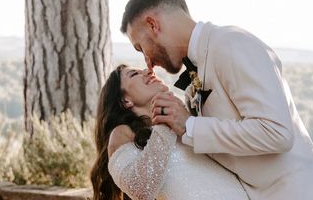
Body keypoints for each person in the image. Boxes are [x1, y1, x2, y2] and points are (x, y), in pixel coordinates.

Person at [120, 0, 313, 200]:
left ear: (153, 25)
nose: (147, 62)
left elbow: (277, 132)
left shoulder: (231, 43)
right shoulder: (198, 68)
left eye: (141, 47)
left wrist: (189, 125)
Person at [90, 64, 249, 200]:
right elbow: (141, 189)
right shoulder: (122, 133)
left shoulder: (187, 121)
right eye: (134, 74)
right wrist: (165, 120)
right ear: (125, 101)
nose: (148, 72)